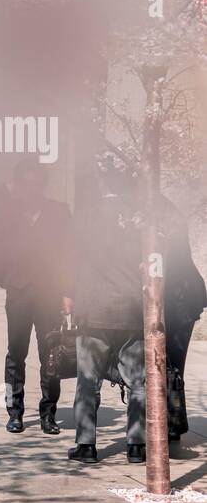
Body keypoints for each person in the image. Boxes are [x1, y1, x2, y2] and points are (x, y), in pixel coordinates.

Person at [0, 159, 72, 435]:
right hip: (18, 291)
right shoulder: (8, 210)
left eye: (36, 183)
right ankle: (14, 412)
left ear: (43, 185)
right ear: (18, 185)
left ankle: (48, 413)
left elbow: (69, 254)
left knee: (50, 354)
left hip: (49, 293)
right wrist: (7, 187)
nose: (32, 188)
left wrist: (68, 293)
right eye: (25, 183)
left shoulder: (59, 212)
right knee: (16, 353)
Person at [65, 167, 145, 464]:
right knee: (138, 380)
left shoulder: (85, 217)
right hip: (131, 309)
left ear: (102, 184)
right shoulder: (139, 220)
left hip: (94, 307)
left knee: (88, 379)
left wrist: (69, 296)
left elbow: (69, 259)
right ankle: (137, 445)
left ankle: (86, 445)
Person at [160, 198, 206, 442]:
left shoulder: (157, 218)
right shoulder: (170, 212)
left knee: (168, 365)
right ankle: (173, 423)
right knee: (174, 366)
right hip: (182, 298)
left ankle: (171, 423)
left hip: (177, 300)